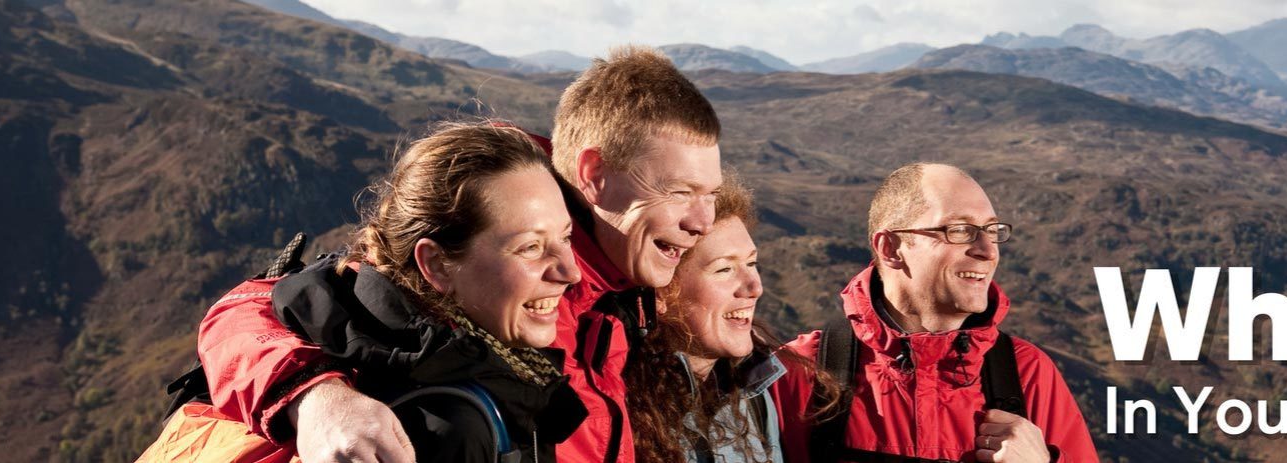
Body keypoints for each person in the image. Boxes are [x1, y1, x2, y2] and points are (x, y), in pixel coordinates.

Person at [192, 46, 724, 463]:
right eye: (679, 191)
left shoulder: (623, 283)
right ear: (593, 175)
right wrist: (315, 398)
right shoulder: (486, 246)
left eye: (711, 195)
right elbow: (259, 306)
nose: (703, 221)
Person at [143, 123, 589, 462]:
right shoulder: (439, 426)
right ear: (434, 264)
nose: (570, 272)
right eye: (530, 247)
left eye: (566, 237)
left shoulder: (345, 301)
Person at [772, 163, 1099, 462]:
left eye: (992, 230)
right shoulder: (797, 373)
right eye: (959, 231)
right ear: (891, 249)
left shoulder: (1027, 374)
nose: (987, 251)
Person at [623, 175, 795, 462]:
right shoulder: (620, 408)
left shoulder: (752, 395)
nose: (755, 287)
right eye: (724, 269)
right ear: (663, 290)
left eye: (752, 263)